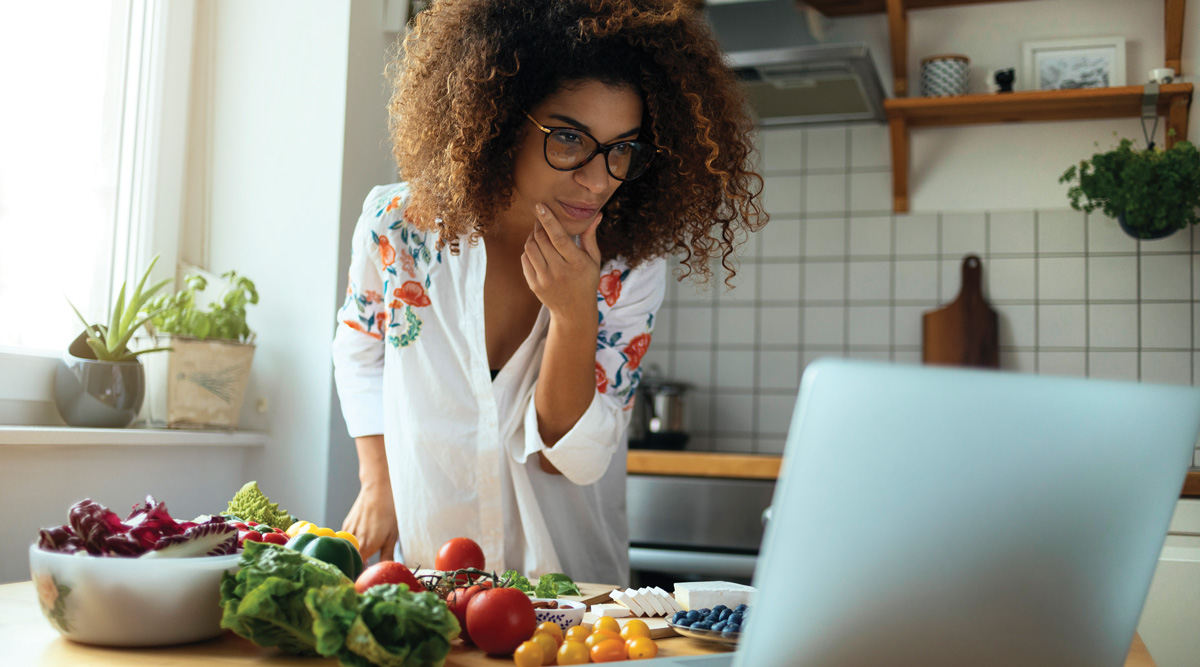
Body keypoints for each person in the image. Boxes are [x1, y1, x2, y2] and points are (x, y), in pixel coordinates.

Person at [332, 0, 765, 586]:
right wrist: (376, 480)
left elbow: (576, 461)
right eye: (568, 139)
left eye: (622, 150)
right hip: (428, 578)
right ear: (502, 118)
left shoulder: (628, 264)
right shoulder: (398, 225)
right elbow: (360, 349)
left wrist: (575, 312)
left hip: (573, 600)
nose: (596, 178)